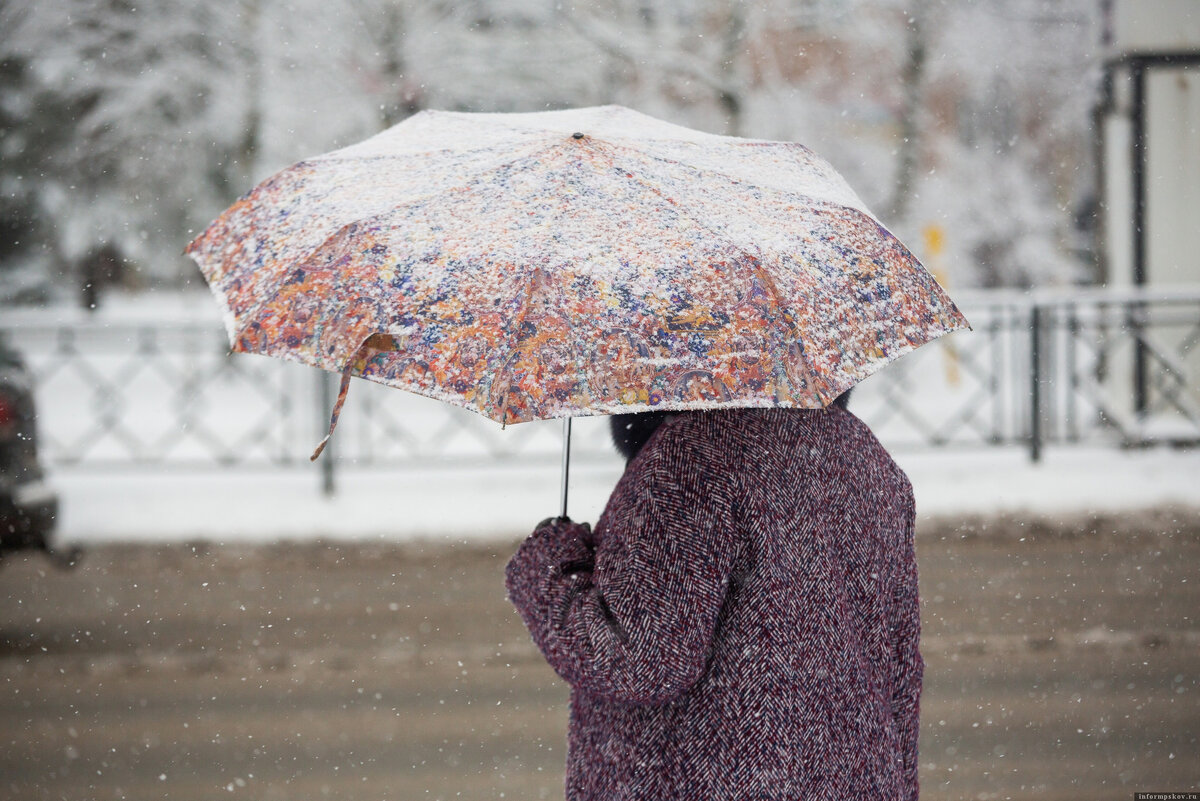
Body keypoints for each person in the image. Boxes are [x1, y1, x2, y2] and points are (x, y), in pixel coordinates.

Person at [504, 394, 922, 800]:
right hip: (856, 779)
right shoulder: (862, 454)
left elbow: (639, 660)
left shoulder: (693, 455)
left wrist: (551, 566)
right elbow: (901, 671)